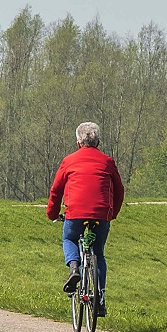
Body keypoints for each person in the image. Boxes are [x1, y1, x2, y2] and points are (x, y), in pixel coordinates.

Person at [46, 122, 125, 315]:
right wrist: (112, 213)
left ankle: (74, 267)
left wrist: (53, 214)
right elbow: (120, 190)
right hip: (101, 213)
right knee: (98, 252)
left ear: (78, 142)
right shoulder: (107, 161)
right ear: (97, 141)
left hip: (75, 213)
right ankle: (100, 298)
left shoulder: (69, 161)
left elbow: (56, 190)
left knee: (70, 238)